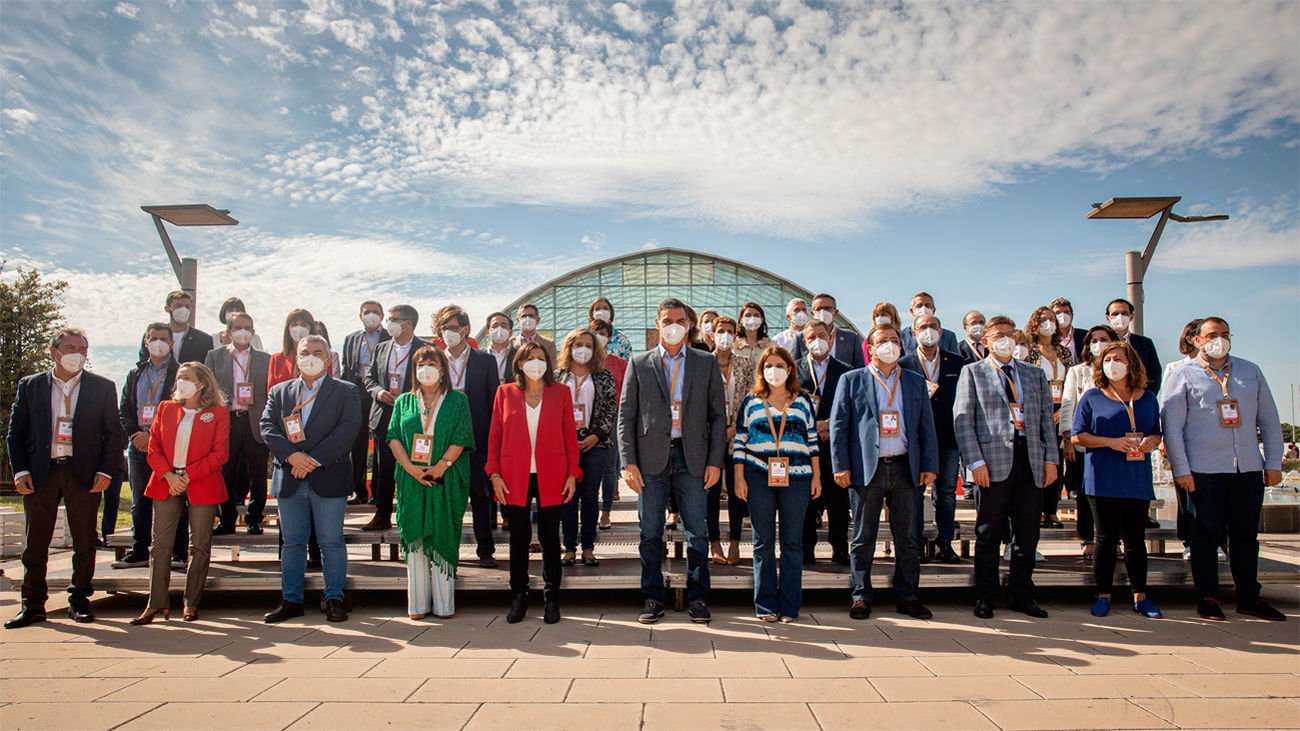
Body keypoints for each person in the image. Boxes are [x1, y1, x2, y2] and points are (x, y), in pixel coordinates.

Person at [1161, 317, 1286, 621]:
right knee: (1205, 534)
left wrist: (1272, 462)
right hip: (1204, 470)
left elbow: (1269, 420)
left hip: (1247, 469)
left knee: (1245, 536)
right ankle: (1208, 597)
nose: (1220, 340)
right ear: (1197, 340)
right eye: (1212, 335)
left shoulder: (1249, 371)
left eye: (1225, 334)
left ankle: (1248, 597)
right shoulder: (1182, 374)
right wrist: (1181, 469)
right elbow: (1172, 427)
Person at [619, 298, 728, 624]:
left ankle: (698, 598)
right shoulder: (639, 363)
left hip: (692, 457)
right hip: (650, 459)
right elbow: (626, 416)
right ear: (657, 323)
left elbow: (718, 417)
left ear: (689, 324)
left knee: (698, 531)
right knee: (650, 532)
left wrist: (715, 461)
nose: (674, 325)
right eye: (667, 320)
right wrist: (628, 462)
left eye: (680, 320)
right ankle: (653, 597)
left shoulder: (705, 362)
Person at [6, 328, 122, 628]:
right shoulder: (30, 386)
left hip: (82, 473)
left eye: (83, 348)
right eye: (70, 347)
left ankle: (80, 600)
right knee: (36, 543)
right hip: (41, 473)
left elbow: (113, 434)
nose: (78, 353)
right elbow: (15, 433)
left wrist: (105, 470)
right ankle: (32, 604)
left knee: (85, 541)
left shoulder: (103, 387)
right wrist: (20, 471)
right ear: (53, 350)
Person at [830, 324, 938, 621]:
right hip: (868, 468)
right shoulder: (851, 380)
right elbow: (839, 426)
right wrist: (840, 465)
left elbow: (926, 426)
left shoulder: (915, 381)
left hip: (905, 466)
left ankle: (908, 595)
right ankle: (861, 596)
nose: (889, 345)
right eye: (882, 341)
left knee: (907, 537)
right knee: (864, 536)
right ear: (871, 347)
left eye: (894, 340)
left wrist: (930, 465)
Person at [954, 315, 1058, 619]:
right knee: (988, 532)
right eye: (998, 335)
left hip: (1031, 459)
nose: (1005, 340)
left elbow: (1045, 422)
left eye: (1010, 334)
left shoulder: (1033, 374)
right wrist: (975, 463)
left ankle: (1022, 594)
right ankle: (985, 595)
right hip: (992, 462)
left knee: (1027, 534)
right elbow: (963, 421)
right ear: (986, 341)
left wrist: (1050, 458)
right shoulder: (972, 372)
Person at [261, 335, 362, 624]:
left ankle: (334, 598)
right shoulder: (280, 391)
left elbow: (347, 430)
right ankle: (291, 600)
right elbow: (267, 427)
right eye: (305, 351)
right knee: (292, 543)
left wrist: (312, 459)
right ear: (295, 356)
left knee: (331, 541)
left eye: (318, 352)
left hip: (327, 476)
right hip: (289, 475)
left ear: (329, 358)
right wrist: (293, 457)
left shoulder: (346, 391)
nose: (311, 356)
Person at [486, 344, 581, 624]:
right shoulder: (505, 393)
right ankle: (519, 596)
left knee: (550, 539)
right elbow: (494, 435)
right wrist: (494, 474)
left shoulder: (561, 392)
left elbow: (569, 435)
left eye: (541, 359)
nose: (536, 363)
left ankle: (552, 599)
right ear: (519, 364)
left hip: (552, 474)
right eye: (530, 358)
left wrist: (573, 473)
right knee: (519, 539)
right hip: (513, 474)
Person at [130, 363, 230, 625]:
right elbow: (153, 448)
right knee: (160, 546)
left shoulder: (218, 413)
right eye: (179, 378)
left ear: (202, 383)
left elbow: (220, 454)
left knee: (199, 545)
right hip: (166, 481)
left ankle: (191, 602)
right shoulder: (165, 408)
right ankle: (156, 604)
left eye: (187, 378)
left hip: (201, 482)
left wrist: (188, 476)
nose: (181, 382)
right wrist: (169, 476)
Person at [1070, 342, 1163, 619]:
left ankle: (1140, 596)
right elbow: (1078, 436)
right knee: (1106, 539)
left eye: (1118, 358)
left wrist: (1151, 442)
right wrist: (1109, 442)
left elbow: (1157, 432)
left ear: (1130, 362)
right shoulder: (1092, 397)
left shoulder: (1147, 398)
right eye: (1108, 359)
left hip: (1136, 477)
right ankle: (1103, 595)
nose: (1112, 363)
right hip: (1103, 478)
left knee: (1135, 538)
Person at [732, 346, 820, 621]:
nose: (774, 370)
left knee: (793, 543)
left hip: (798, 476)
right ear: (761, 371)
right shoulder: (751, 402)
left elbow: (813, 440)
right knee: (763, 542)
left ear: (790, 369)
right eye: (768, 365)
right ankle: (766, 605)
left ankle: (790, 605)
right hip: (758, 475)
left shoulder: (803, 401)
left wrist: (817, 476)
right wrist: (738, 478)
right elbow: (739, 442)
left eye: (780, 365)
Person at [386, 346, 475, 619]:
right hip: (412, 481)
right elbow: (393, 438)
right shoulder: (403, 402)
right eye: (420, 363)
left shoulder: (458, 400)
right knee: (415, 540)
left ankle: (445, 603)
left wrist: (439, 468)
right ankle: (418, 605)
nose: (426, 367)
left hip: (444, 479)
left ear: (442, 368)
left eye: (431, 362)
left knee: (441, 535)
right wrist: (412, 470)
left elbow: (461, 437)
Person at [113, 323, 185, 570]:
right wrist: (135, 434)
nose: (158, 342)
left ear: (171, 343)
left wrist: (155, 437)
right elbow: (124, 409)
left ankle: (178, 552)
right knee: (139, 500)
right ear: (145, 342)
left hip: (168, 446)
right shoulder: (135, 374)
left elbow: (182, 409)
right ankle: (139, 549)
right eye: (153, 338)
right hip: (138, 445)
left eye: (163, 339)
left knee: (175, 498)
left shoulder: (180, 373)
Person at [437, 306, 502, 566]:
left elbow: (494, 402)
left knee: (480, 496)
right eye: (444, 329)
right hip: (443, 441)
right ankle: (445, 550)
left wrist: (492, 440)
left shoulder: (484, 360)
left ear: (465, 329)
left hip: (477, 439)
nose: (449, 333)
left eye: (453, 328)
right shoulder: (434, 360)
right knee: (447, 498)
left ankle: (485, 550)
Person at [899, 314, 965, 564]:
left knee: (947, 491)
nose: (929, 331)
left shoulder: (957, 363)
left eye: (933, 326)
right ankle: (914, 543)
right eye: (923, 327)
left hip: (948, 436)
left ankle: (945, 542)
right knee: (914, 491)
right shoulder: (904, 363)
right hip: (916, 438)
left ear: (941, 331)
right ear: (914, 333)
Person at [362, 305, 428, 531]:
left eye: (394, 319)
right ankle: (382, 514)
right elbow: (369, 378)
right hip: (384, 414)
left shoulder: (426, 348)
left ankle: (415, 513)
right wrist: (379, 392)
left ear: (408, 323)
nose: (388, 322)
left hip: (414, 416)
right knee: (383, 467)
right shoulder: (381, 348)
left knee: (416, 465)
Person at [205, 312, 271, 535]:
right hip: (228, 420)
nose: (242, 332)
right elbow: (208, 392)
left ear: (253, 332)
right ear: (228, 331)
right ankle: (226, 519)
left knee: (258, 474)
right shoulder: (215, 356)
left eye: (247, 328)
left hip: (255, 421)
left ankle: (254, 518)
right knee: (227, 473)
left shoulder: (265, 358)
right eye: (237, 327)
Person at [555, 329, 616, 566]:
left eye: (588, 345)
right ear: (569, 347)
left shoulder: (604, 375)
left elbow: (612, 409)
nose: (583, 349)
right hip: (564, 445)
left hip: (595, 445)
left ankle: (588, 548)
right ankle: (569, 547)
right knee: (568, 496)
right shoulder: (557, 376)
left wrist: (596, 436)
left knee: (590, 497)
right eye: (578, 344)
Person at [1060, 325, 1120, 559]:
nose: (1098, 344)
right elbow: (1068, 404)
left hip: (1116, 444)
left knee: (1115, 495)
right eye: (1093, 340)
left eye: (1103, 339)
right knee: (1086, 494)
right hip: (1086, 443)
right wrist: (1067, 437)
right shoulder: (1078, 371)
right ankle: (1088, 538)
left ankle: (1114, 540)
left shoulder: (1123, 370)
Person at [795, 320, 852, 566]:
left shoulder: (846, 371)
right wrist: (812, 427)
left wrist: (830, 424)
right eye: (812, 336)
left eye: (822, 335)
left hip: (836, 446)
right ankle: (806, 549)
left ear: (830, 338)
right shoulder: (794, 370)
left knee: (838, 501)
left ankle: (839, 548)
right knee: (806, 500)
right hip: (805, 446)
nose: (817, 340)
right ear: (805, 341)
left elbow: (852, 407)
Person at [709, 316, 754, 564]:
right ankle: (714, 542)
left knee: (738, 491)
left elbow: (751, 397)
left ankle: (735, 542)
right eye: (720, 331)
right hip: (711, 436)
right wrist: (717, 429)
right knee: (712, 490)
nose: (725, 335)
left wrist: (736, 427)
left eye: (729, 331)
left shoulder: (745, 363)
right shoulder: (704, 363)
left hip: (738, 434)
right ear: (713, 334)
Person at [1026, 305, 1073, 530]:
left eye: (1052, 319)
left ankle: (1051, 510)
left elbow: (1071, 384)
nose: (1049, 323)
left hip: (1061, 410)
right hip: (1037, 412)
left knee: (1057, 461)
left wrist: (1060, 412)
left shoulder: (1064, 352)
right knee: (1038, 460)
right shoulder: (1031, 351)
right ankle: (1037, 509)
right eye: (1044, 319)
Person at [1161, 318, 1205, 556]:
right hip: (1184, 443)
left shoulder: (1229, 371)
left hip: (1212, 446)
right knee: (1186, 494)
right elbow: (1167, 407)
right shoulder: (1175, 368)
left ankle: (1219, 542)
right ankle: (1189, 540)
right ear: (1191, 338)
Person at [342, 301, 390, 505]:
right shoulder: (352, 339)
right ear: (360, 316)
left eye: (375, 312)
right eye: (367, 312)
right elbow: (347, 368)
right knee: (357, 441)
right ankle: (359, 490)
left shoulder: (389, 337)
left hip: (381, 391)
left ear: (382, 315)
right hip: (358, 390)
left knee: (381, 440)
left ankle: (379, 492)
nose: (371, 315)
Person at [590, 319, 626, 531]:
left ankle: (606, 511)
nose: (599, 336)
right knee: (588, 466)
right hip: (586, 420)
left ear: (610, 337)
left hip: (612, 419)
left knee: (609, 467)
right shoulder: (584, 362)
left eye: (603, 333)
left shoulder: (619, 363)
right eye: (595, 332)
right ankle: (590, 508)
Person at [791, 294, 866, 369]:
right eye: (818, 309)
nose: (823, 312)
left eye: (827, 308)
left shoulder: (851, 337)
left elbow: (859, 368)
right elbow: (794, 368)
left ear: (835, 313)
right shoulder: (800, 338)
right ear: (813, 313)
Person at [137, 290, 211, 365]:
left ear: (191, 309)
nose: (183, 310)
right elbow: (143, 364)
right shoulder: (153, 336)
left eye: (187, 306)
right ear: (167, 309)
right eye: (178, 306)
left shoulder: (204, 340)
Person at [1105, 298, 1162, 394]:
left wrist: (1146, 397)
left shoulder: (1145, 343)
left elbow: (1155, 374)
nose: (1120, 317)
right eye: (1115, 314)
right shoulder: (1101, 343)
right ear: (1108, 318)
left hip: (1138, 399)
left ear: (1131, 317)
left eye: (1124, 313)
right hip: (1108, 398)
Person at [268, 308, 320, 388]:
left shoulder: (322, 357)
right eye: (294, 324)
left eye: (303, 324)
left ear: (310, 328)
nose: (298, 328)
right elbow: (271, 392)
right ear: (288, 328)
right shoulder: (276, 359)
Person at [1049, 298, 1088, 364]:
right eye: (1058, 313)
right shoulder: (1047, 338)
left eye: (1066, 312)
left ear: (1072, 316)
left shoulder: (1085, 335)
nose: (1062, 316)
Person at [483, 312, 518, 385]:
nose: (499, 329)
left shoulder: (519, 355)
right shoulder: (479, 356)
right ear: (488, 332)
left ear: (510, 332)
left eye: (503, 326)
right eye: (495, 326)